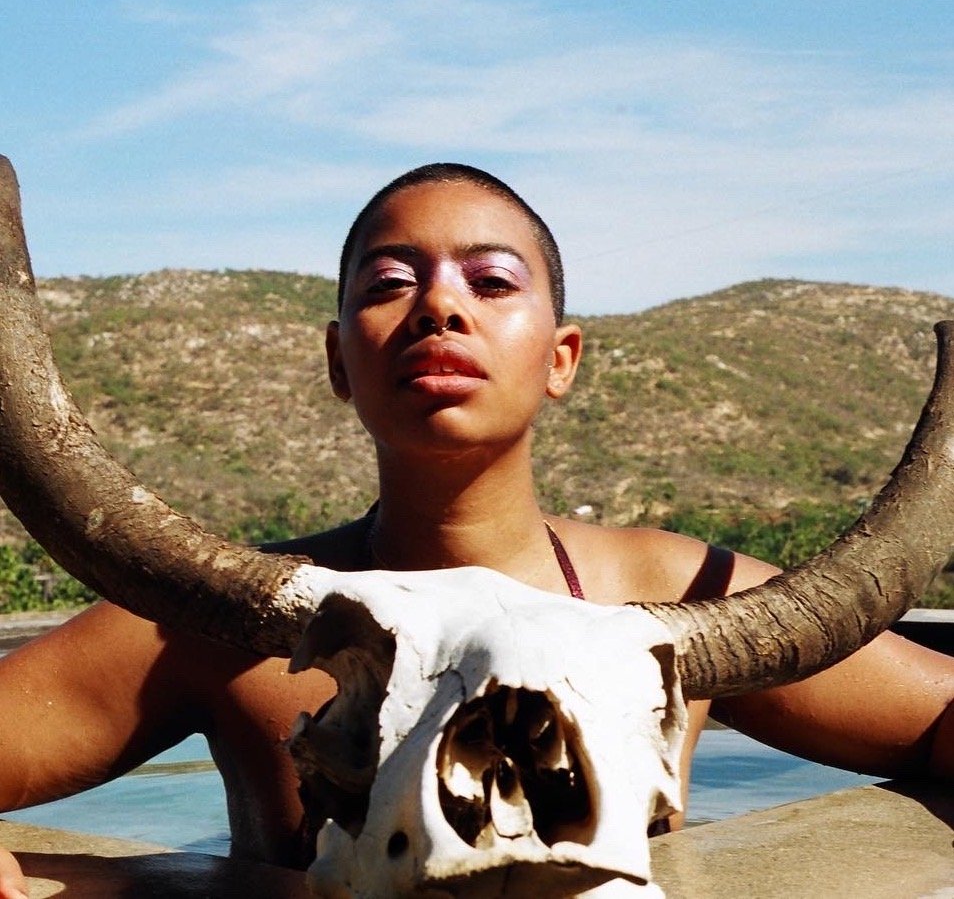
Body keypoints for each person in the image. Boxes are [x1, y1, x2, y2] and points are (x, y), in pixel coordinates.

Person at [1, 163, 952, 898]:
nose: (441, 306)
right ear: (339, 360)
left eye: (492, 282)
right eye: (388, 283)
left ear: (561, 357)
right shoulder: (192, 623)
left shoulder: (683, 587)